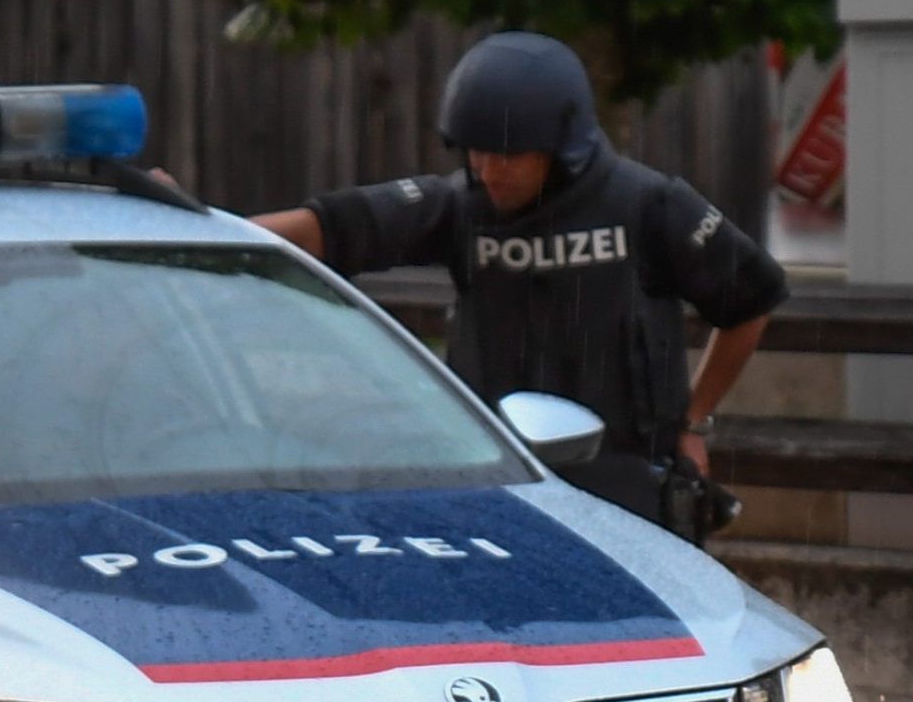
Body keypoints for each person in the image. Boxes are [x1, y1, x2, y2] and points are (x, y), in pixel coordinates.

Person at [249, 30, 786, 531]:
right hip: (501, 487)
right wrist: (190, 218)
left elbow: (751, 299)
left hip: (629, 490)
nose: (488, 170)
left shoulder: (649, 206)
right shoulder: (460, 208)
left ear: (561, 149)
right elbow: (332, 227)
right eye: (476, 150)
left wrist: (694, 422)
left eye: (507, 153)